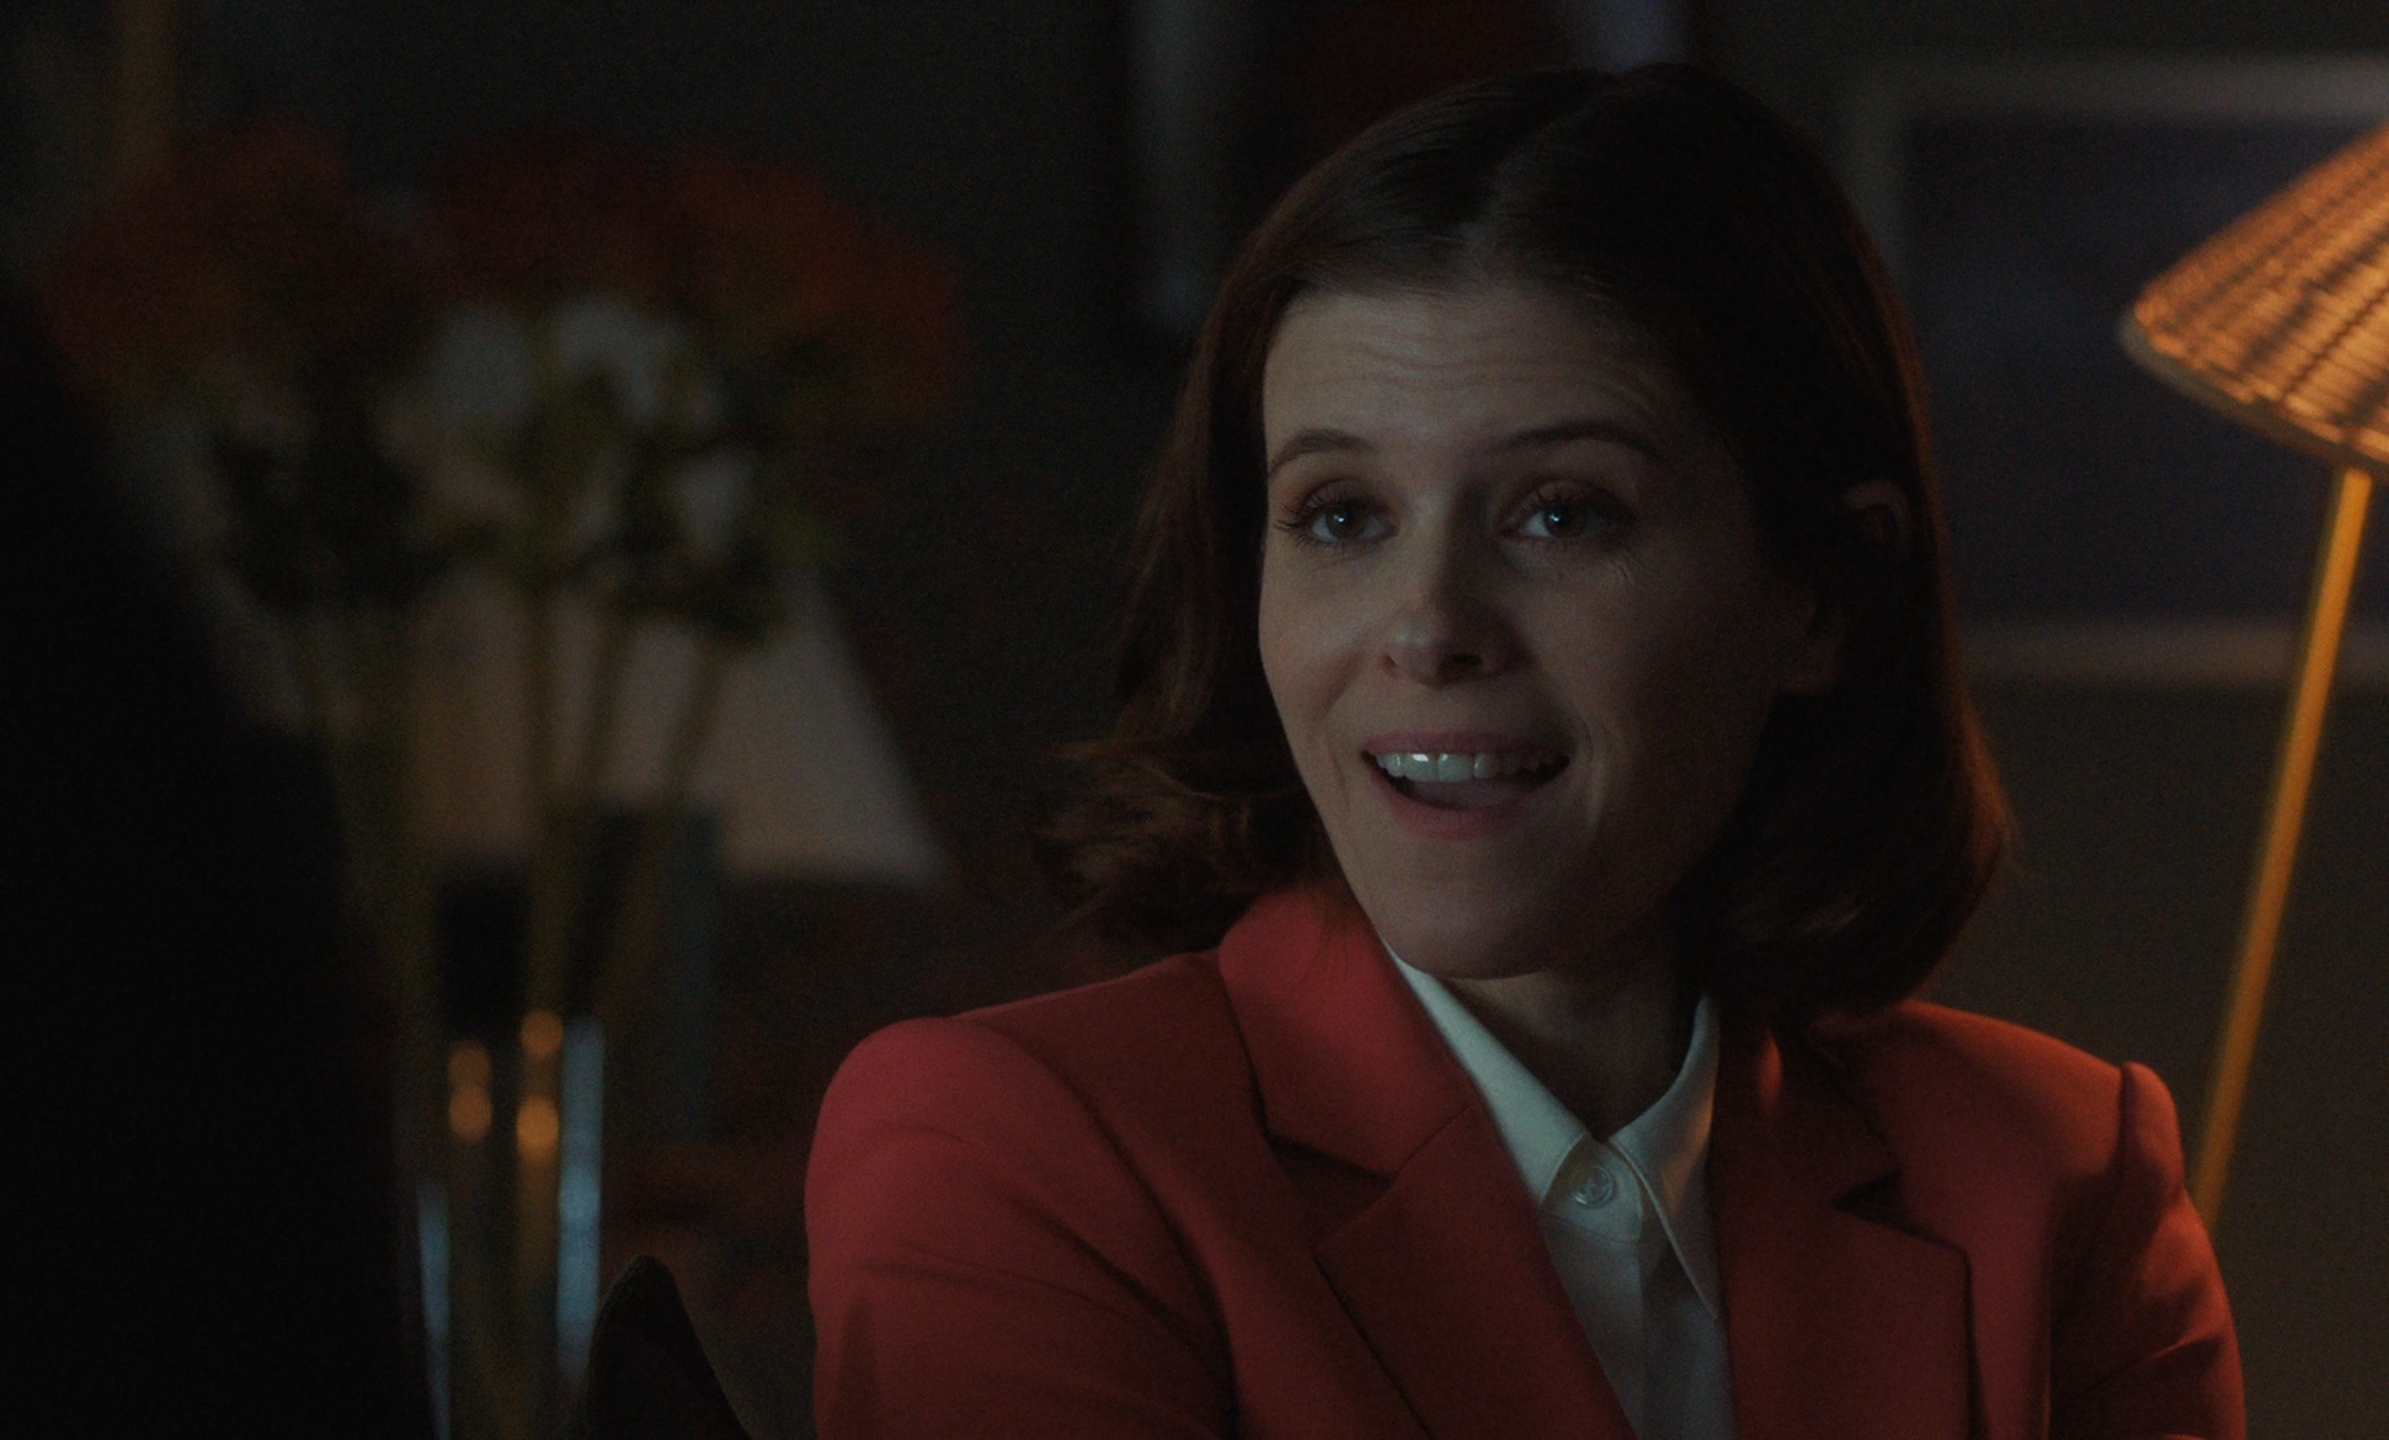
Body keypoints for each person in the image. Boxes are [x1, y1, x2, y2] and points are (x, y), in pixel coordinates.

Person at [804, 66, 2241, 1439]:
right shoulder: (1019, 1147)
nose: (1429, 628)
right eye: (1341, 515)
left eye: (1561, 513)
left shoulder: (2054, 1172)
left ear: (1821, 593)